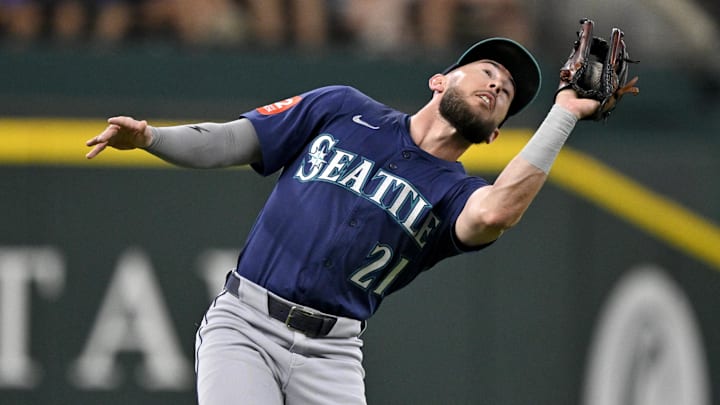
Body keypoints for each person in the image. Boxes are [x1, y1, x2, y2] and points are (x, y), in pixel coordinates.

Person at [85, 38, 601, 404]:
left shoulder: (456, 193)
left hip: (332, 353)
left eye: (507, 93)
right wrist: (152, 139)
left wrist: (563, 115)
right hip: (246, 324)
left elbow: (497, 212)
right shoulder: (342, 109)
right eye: (488, 69)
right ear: (439, 80)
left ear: (494, 136)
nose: (496, 84)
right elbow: (230, 141)